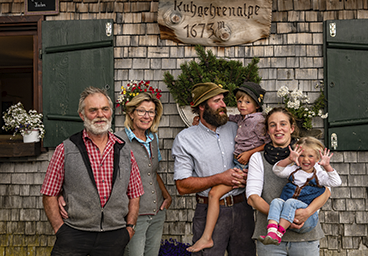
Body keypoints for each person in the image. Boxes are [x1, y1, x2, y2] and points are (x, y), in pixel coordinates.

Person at [41, 87, 144, 256]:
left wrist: (129, 228)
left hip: (114, 235)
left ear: (111, 112)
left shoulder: (124, 150)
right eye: (93, 110)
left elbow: (135, 193)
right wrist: (59, 229)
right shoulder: (66, 149)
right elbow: (49, 193)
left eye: (104, 109)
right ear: (82, 115)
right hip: (74, 234)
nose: (100, 115)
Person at [172, 82, 256, 256]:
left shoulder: (239, 128)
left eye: (223, 100)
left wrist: (251, 177)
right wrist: (219, 178)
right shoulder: (185, 139)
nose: (224, 105)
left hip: (243, 210)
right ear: (202, 106)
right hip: (209, 213)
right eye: (217, 101)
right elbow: (182, 186)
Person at [246, 107, 332, 256]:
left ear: (292, 128)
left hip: (305, 237)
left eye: (283, 124)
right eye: (272, 125)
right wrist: (283, 217)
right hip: (268, 239)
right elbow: (253, 198)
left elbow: (327, 191)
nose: (278, 129)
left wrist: (306, 213)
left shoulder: (307, 153)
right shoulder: (257, 158)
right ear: (268, 131)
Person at [115, 92, 172, 256]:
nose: (147, 116)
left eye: (151, 111)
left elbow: (152, 171)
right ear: (131, 113)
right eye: (141, 111)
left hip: (157, 212)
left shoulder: (152, 138)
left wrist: (167, 196)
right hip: (134, 216)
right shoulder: (117, 140)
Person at [259, 136, 341, 245]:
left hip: (307, 214)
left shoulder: (319, 175)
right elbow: (277, 170)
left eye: (310, 156)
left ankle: (279, 234)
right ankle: (272, 232)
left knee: (290, 202)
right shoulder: (294, 170)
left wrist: (327, 166)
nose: (305, 159)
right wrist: (289, 159)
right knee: (276, 201)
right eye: (302, 155)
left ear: (317, 159)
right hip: (289, 210)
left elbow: (336, 182)